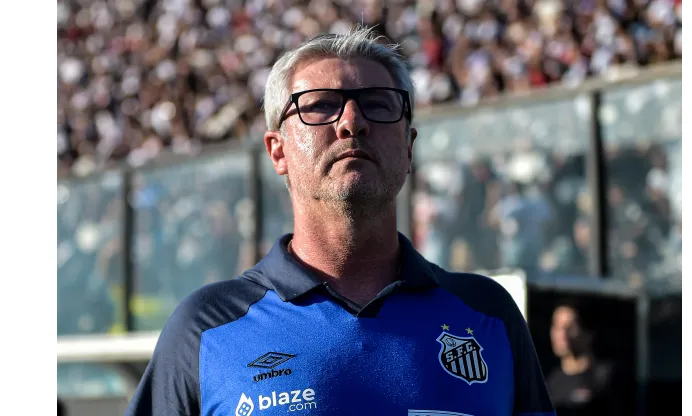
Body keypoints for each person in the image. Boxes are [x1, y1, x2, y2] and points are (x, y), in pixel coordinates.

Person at [125, 26, 554, 416]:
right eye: (321, 106)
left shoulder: (488, 314)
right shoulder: (207, 328)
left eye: (379, 105)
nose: (352, 122)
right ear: (278, 151)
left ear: (409, 146)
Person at [546, 301, 621, 416]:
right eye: (557, 326)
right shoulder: (549, 381)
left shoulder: (605, 377)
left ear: (589, 333)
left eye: (570, 327)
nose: (562, 334)